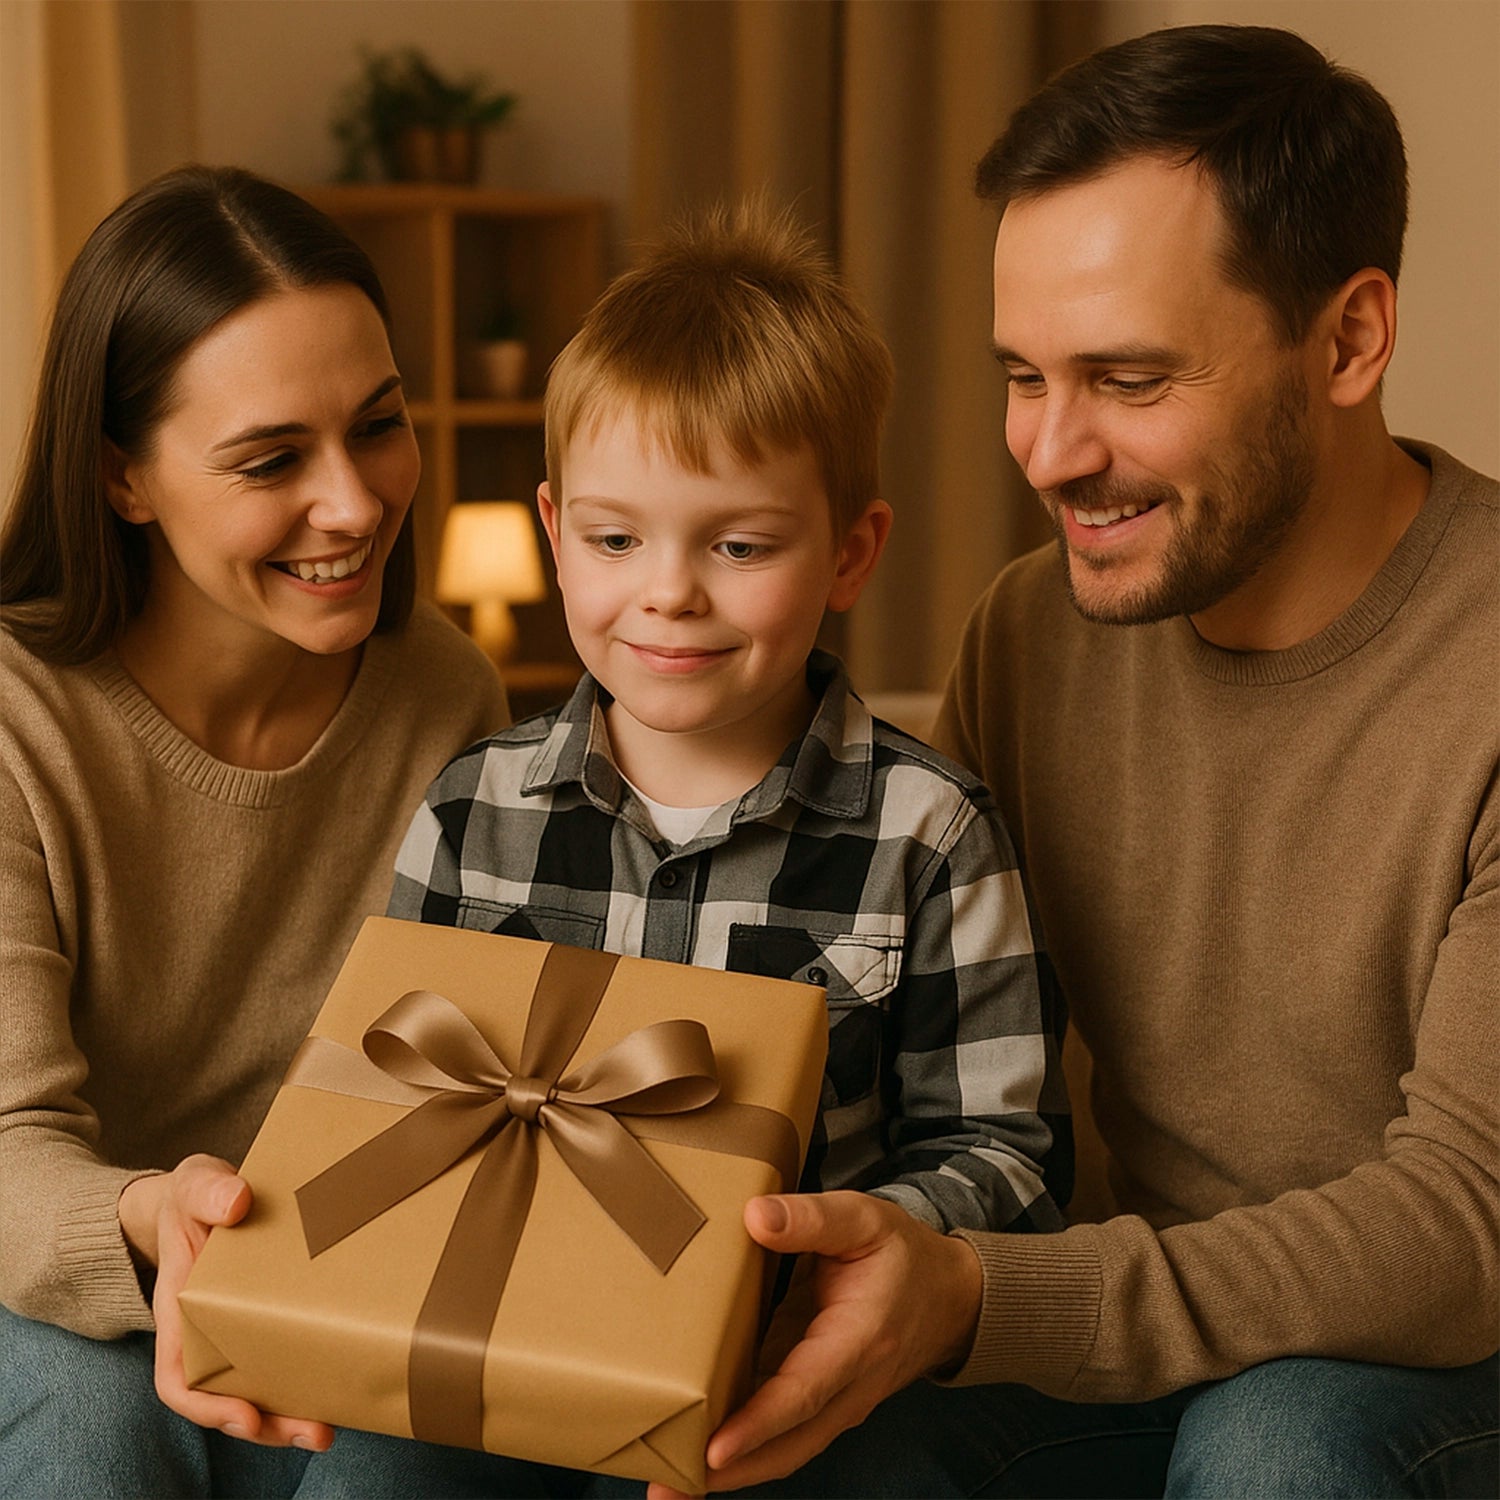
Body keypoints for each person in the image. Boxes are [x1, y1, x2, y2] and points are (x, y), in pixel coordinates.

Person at [647, 25, 1499, 1500]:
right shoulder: (1034, 635)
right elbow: (891, 999)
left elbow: (1462, 1225)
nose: (1043, 454)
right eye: (1023, 375)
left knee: (1278, 1446)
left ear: (1350, 339)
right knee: (775, 1445)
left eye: (1127, 377)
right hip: (1142, 1328)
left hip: (1443, 1351)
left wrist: (982, 1296)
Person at [364, 202, 1070, 1494]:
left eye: (738, 545)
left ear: (851, 552)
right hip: (508, 1337)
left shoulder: (934, 833)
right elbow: (395, 1101)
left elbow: (1005, 1159)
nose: (670, 591)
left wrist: (840, 1254)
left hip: (787, 1366)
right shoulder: (475, 806)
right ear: (550, 529)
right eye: (615, 538)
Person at [0, 164, 508, 1497]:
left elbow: (452, 1087)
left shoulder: (442, 691)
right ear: (123, 478)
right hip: (65, 1252)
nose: (353, 504)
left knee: (403, 1454)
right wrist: (158, 1218)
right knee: (88, 1412)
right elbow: (8, 1146)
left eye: (379, 424)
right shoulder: (18, 725)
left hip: (335, 1268)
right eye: (273, 459)